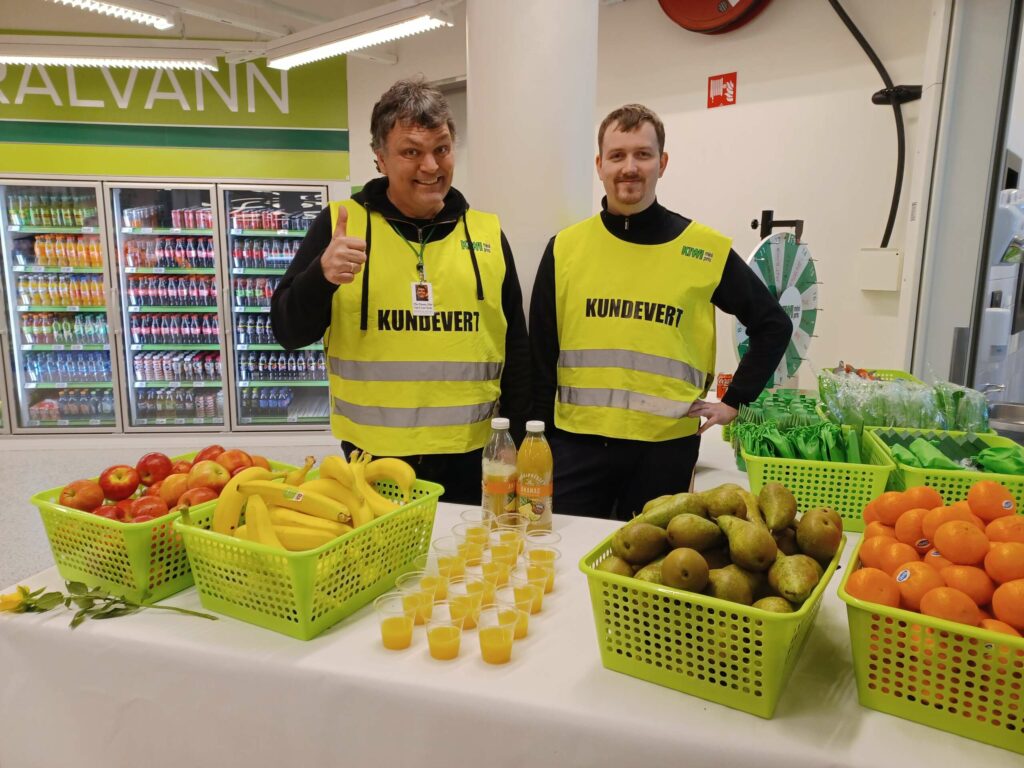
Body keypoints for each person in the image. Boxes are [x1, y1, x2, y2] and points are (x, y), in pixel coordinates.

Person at [272, 78, 530, 504]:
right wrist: (320, 277)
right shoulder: (340, 226)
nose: (431, 166)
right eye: (412, 152)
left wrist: (517, 444)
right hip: (372, 460)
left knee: (463, 568)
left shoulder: (486, 233)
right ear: (380, 159)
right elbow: (287, 331)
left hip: (471, 458)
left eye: (442, 149)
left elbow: (517, 349)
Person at [529, 104, 792, 520]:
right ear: (599, 165)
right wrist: (536, 440)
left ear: (662, 163)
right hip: (577, 446)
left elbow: (773, 325)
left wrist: (735, 401)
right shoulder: (564, 249)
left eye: (643, 154)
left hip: (664, 450)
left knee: (650, 571)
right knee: (565, 562)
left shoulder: (704, 249)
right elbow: (540, 357)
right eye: (617, 156)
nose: (629, 168)